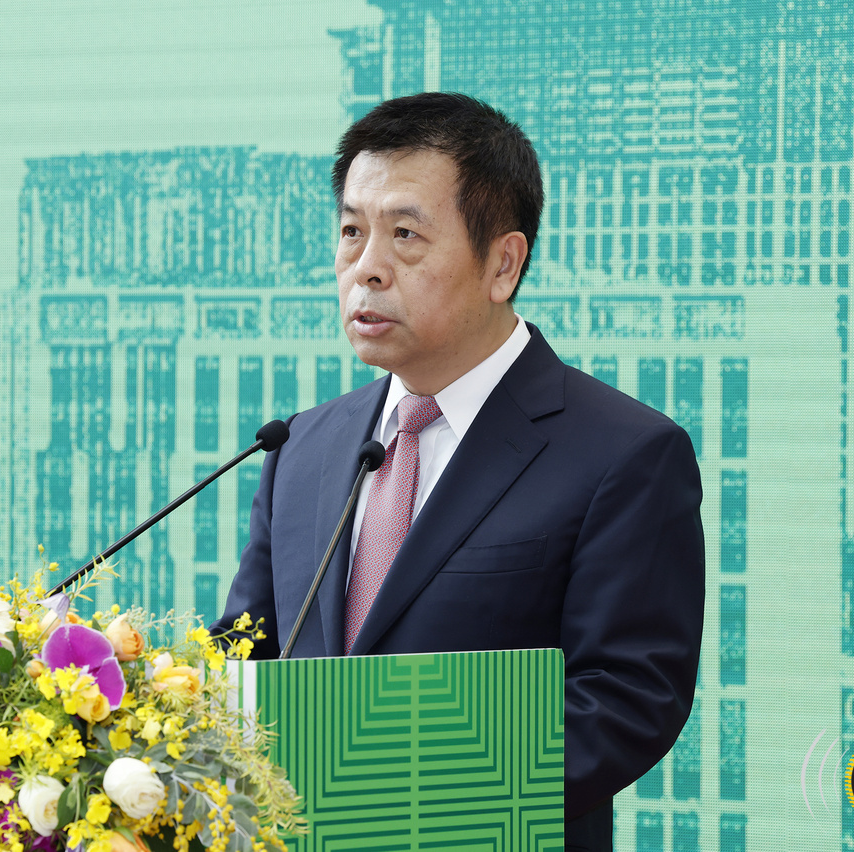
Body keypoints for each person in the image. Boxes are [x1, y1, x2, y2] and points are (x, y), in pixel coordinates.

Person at [213, 92, 705, 852]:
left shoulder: (624, 453)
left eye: (405, 235)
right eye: (351, 232)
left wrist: (380, 792)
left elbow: (627, 699)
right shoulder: (301, 446)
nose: (366, 269)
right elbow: (246, 652)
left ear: (503, 264)